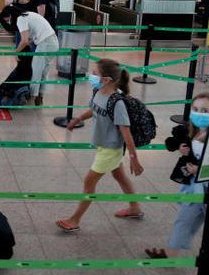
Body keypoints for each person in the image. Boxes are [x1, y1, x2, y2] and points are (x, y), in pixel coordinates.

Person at [144, 92, 209, 275]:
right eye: (195, 109)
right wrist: (183, 151)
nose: (199, 113)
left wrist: (198, 170)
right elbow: (185, 148)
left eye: (204, 110)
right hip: (195, 188)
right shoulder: (196, 131)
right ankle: (170, 254)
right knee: (184, 220)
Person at [56, 58, 144, 232]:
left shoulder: (117, 102)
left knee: (89, 180)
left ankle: (75, 219)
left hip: (111, 148)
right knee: (120, 176)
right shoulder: (98, 92)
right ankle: (135, 208)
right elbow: (94, 109)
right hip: (104, 146)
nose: (91, 75)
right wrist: (79, 118)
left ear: (107, 79)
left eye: (95, 73)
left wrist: (134, 158)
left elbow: (126, 133)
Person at [0, 5, 58, 106]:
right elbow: (29, 39)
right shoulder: (29, 14)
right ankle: (40, 96)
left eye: (8, 20)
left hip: (45, 43)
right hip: (53, 42)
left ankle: (32, 96)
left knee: (36, 70)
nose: (8, 22)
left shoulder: (21, 19)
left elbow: (24, 41)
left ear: (10, 15)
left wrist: (16, 52)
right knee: (43, 71)